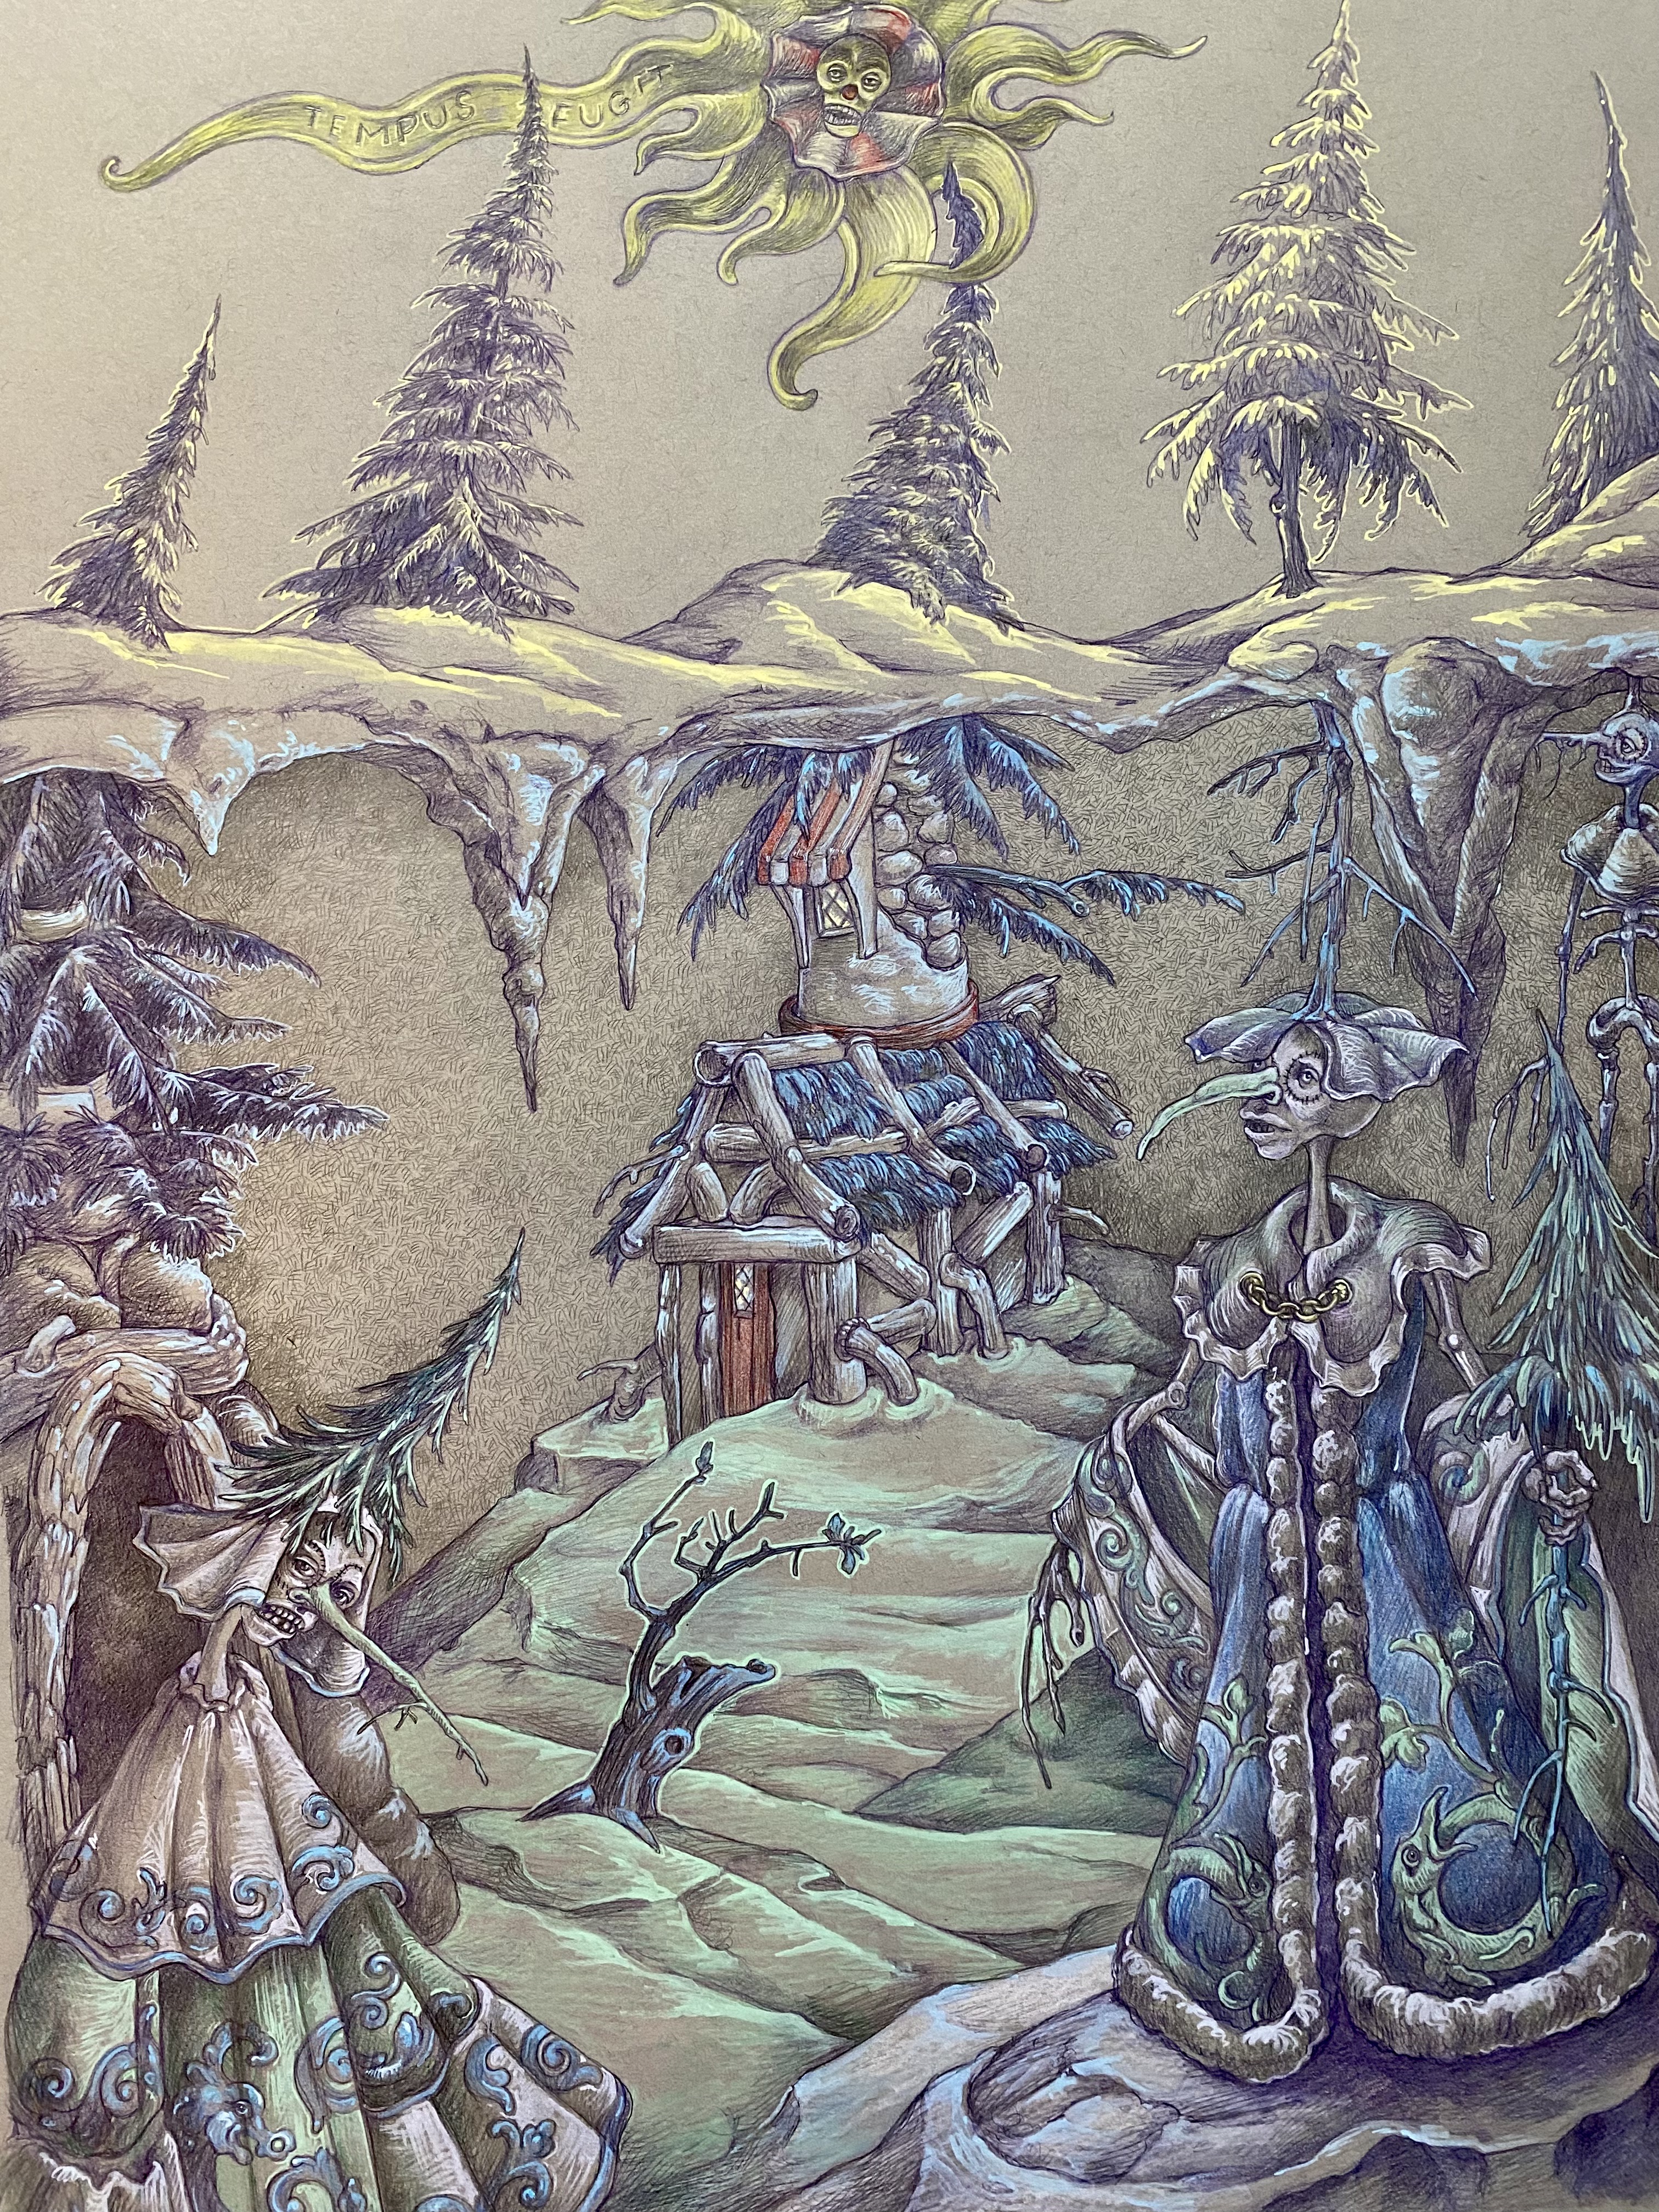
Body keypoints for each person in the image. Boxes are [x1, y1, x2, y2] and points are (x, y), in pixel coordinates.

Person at [1030, 992, 1659, 2083]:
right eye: (1272, 1076)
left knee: (1440, 1760)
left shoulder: (1406, 1247)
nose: (1271, 1100)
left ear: (1356, 1102)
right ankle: (1279, 1966)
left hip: (1390, 1559)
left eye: (1304, 1080)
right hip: (1257, 1572)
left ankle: (1441, 1955)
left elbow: (1469, 1395)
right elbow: (1185, 1405)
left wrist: (1538, 1467)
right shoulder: (1234, 1264)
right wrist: (1120, 1456)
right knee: (1248, 1783)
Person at [4, 1480, 627, 2212]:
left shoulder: (273, 1673)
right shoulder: (214, 1679)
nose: (308, 1603)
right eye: (302, 1573)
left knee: (309, 1947)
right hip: (198, 1798)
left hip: (262, 1810)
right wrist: (242, 1618)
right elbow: (223, 1662)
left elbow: (334, 1695)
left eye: (333, 1587)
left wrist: (343, 1618)